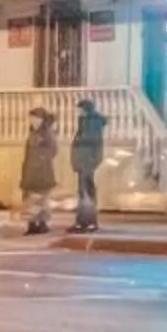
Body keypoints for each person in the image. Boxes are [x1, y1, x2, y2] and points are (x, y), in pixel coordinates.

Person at [20, 108, 61, 234]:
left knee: (41, 198)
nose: (32, 121)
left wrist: (41, 159)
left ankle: (41, 223)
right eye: (31, 118)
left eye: (35, 118)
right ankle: (32, 224)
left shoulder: (47, 133)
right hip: (30, 170)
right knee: (30, 198)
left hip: (42, 171)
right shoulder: (33, 133)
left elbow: (53, 150)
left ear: (42, 120)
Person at [69, 98, 107, 232]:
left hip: (87, 163)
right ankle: (82, 221)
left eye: (79, 109)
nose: (78, 112)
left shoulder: (92, 124)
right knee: (83, 192)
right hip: (83, 162)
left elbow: (93, 145)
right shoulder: (85, 123)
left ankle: (88, 222)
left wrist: (90, 162)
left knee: (87, 192)